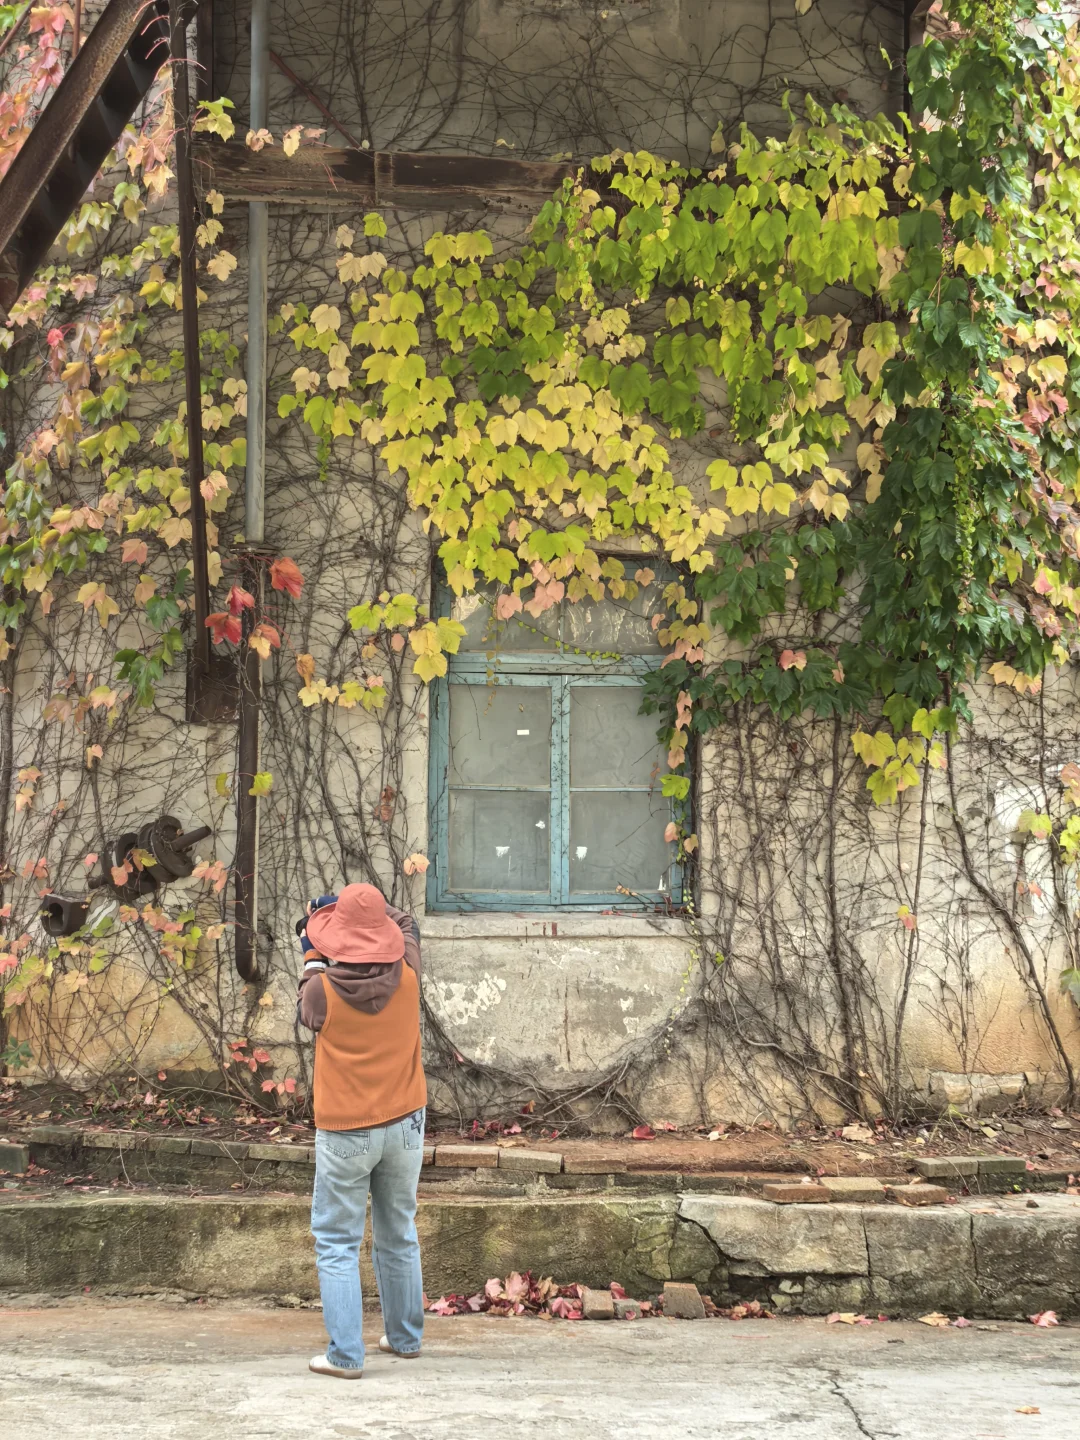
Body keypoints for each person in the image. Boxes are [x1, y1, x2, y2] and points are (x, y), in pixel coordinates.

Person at [296, 882, 427, 1379]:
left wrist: (315, 941)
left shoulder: (321, 991)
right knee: (399, 1233)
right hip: (406, 1123)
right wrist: (363, 910)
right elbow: (407, 921)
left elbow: (308, 999)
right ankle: (405, 1338)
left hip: (347, 1130)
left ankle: (346, 1356)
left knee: (337, 1242)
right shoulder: (409, 973)